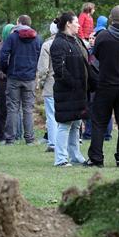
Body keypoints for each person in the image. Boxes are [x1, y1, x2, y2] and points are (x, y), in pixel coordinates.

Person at [84, 5, 119, 168]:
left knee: (99, 122)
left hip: (106, 84)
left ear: (111, 18)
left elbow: (97, 56)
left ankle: (96, 158)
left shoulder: (103, 37)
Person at [49, 12, 89, 167]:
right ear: (68, 24)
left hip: (78, 90)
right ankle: (60, 159)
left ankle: (75, 156)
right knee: (65, 125)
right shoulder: (59, 43)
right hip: (67, 90)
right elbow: (59, 69)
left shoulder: (74, 41)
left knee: (76, 124)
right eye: (76, 22)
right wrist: (73, 83)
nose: (79, 25)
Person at [0, 15, 42, 145]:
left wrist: (6, 70)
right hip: (29, 78)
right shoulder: (37, 39)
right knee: (28, 109)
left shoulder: (12, 37)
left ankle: (10, 139)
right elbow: (40, 58)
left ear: (18, 23)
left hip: (14, 76)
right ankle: (29, 138)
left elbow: (3, 55)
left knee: (13, 108)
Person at [36, 21, 59, 153]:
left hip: (51, 84)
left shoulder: (47, 45)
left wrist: (40, 83)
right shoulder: (71, 42)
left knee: (51, 115)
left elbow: (43, 69)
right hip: (66, 85)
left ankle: (53, 143)